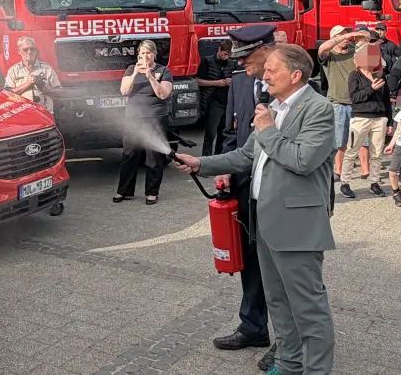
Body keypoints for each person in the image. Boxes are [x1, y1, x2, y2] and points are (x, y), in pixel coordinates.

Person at [176, 44, 337, 375]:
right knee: (278, 303)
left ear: (295, 75)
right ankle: (289, 364)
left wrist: (268, 130)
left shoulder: (318, 109)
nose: (264, 75)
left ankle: (317, 370)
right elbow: (246, 155)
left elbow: (303, 160)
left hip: (298, 224)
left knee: (308, 308)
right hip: (265, 222)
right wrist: (200, 163)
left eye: (272, 70)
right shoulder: (273, 108)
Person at [212, 24, 280, 372]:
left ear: (265, 49)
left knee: (282, 270)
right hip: (243, 186)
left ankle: (288, 342)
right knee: (251, 261)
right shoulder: (240, 82)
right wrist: (222, 168)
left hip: (278, 195)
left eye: (246, 57)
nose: (241, 65)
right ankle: (253, 327)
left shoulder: (294, 87)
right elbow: (230, 132)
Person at [115, 40, 173, 205]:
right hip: (133, 119)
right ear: (138, 55)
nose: (145, 56)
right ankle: (123, 191)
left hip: (155, 118)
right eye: (142, 53)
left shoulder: (163, 71)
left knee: (153, 156)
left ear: (154, 54)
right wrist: (135, 74)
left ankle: (152, 192)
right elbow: (124, 91)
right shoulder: (130, 70)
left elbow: (163, 94)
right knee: (129, 155)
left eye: (148, 53)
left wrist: (150, 76)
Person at [340, 43, 393, 199]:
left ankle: (374, 182)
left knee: (377, 153)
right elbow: (355, 98)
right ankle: (345, 182)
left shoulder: (380, 76)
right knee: (351, 150)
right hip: (360, 117)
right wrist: (372, 89)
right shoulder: (354, 76)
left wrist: (389, 121)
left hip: (379, 119)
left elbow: (386, 101)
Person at [318, 26, 365, 180]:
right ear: (333, 38)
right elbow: (322, 47)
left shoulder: (355, 52)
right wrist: (350, 34)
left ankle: (366, 171)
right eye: (341, 36)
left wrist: (363, 40)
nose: (346, 38)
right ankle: (338, 171)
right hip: (338, 103)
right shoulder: (329, 56)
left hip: (358, 101)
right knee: (340, 140)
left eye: (346, 34)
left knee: (363, 139)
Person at [4, 36, 62, 113]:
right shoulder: (13, 71)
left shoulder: (47, 69)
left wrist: (45, 87)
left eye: (32, 49)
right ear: (19, 51)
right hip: (22, 114)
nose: (29, 52)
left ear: (36, 51)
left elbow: (59, 92)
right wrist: (27, 84)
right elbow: (6, 95)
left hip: (45, 114)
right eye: (25, 49)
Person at [196, 42, 233, 156]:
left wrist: (231, 82)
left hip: (227, 102)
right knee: (210, 134)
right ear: (219, 50)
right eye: (225, 54)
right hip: (213, 101)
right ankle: (206, 160)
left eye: (229, 55)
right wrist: (216, 83)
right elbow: (197, 81)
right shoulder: (207, 61)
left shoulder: (232, 63)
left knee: (223, 134)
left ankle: (218, 160)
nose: (227, 57)